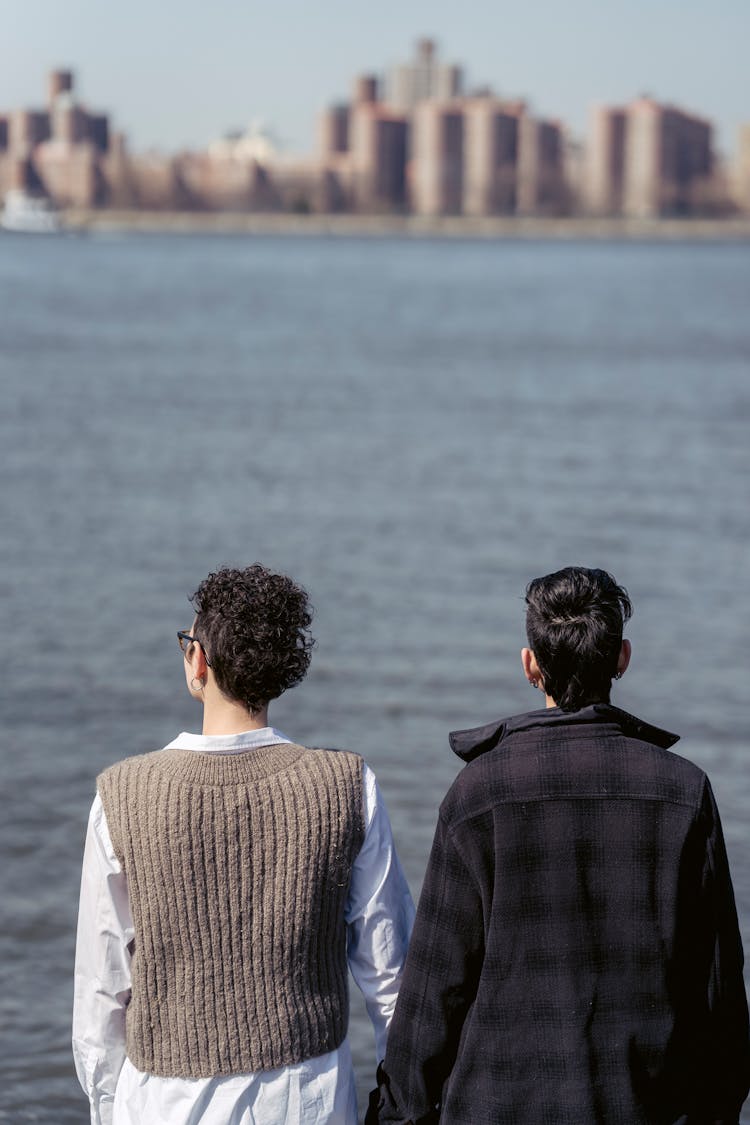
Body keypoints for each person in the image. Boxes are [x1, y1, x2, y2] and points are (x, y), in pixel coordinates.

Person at [369, 566, 750, 1124]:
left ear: (531, 664)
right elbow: (719, 992)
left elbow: (434, 994)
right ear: (621, 657)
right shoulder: (683, 792)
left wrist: (397, 1115)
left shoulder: (480, 793)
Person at [73, 564, 414, 1125]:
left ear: (198, 660)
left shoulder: (122, 795)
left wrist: (109, 1108)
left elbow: (102, 993)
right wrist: (398, 1098)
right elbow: (390, 974)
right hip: (310, 1097)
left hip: (164, 1101)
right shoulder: (347, 785)